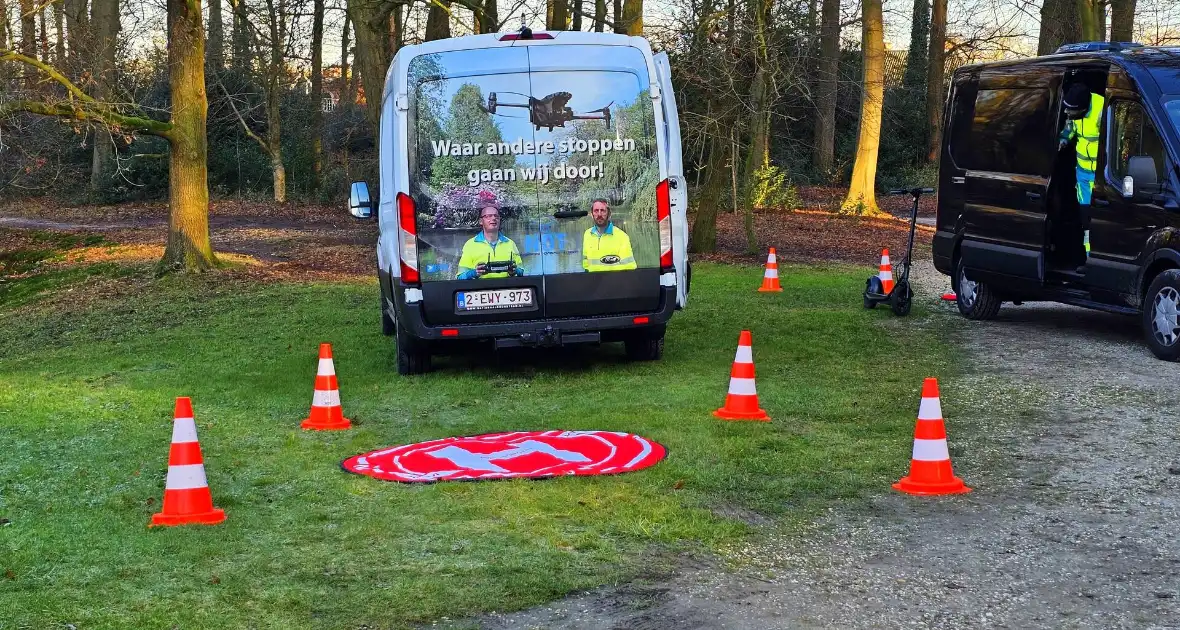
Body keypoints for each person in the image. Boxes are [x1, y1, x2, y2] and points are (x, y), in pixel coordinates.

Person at [1059, 81, 1105, 265]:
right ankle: (1088, 260)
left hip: (1102, 178)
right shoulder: (1074, 111)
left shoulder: (1101, 109)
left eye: (1070, 111)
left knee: (1102, 222)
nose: (1066, 113)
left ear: (1082, 108)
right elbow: (1070, 128)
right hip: (1083, 175)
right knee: (1086, 221)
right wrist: (1063, 139)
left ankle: (1099, 261)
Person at [456, 205, 525, 279]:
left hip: (506, 288)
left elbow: (521, 271)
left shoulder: (510, 243)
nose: (493, 218)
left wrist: (515, 271)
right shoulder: (470, 244)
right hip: (480, 289)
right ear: (481, 221)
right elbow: (460, 276)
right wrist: (475, 273)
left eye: (496, 216)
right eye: (488, 216)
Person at [581, 199, 636, 272]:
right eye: (596, 211)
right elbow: (586, 264)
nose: (599, 214)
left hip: (614, 282)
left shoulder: (622, 237)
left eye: (603, 210)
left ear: (609, 214)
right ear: (592, 214)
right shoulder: (587, 234)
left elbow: (629, 267)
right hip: (593, 282)